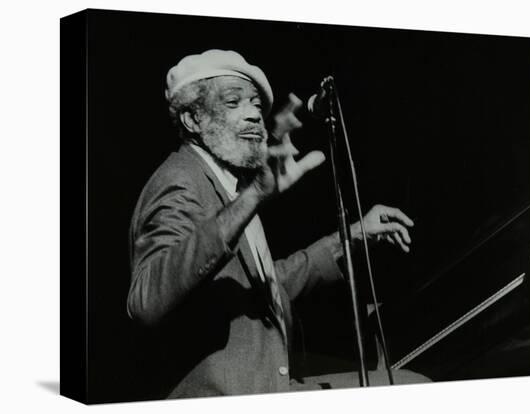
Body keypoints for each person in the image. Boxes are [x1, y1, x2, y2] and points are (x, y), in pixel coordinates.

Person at [127, 49, 428, 399]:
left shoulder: (230, 185)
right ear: (193, 120)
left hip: (268, 384)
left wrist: (350, 237)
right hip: (225, 395)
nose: (255, 113)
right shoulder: (180, 180)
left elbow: (265, 288)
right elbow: (146, 299)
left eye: (255, 103)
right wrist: (253, 196)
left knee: (410, 384)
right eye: (233, 102)